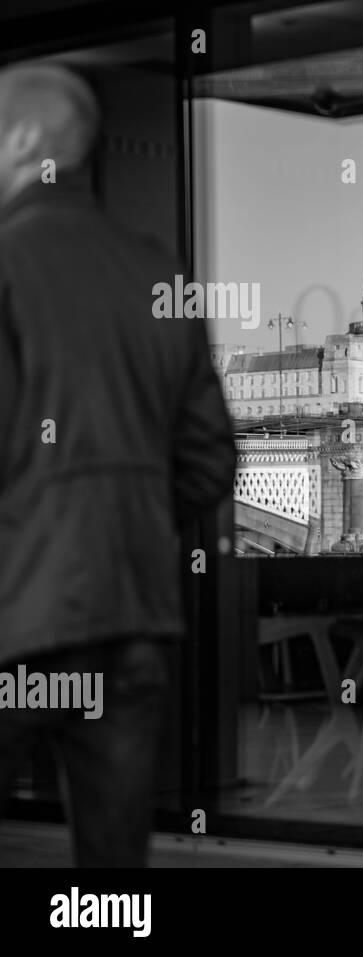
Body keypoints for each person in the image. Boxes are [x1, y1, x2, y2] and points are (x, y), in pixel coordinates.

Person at [0, 64, 235, 866]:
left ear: (24, 139)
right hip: (132, 620)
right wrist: (126, 514)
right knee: (111, 867)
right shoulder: (159, 277)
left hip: (18, 618)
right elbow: (209, 462)